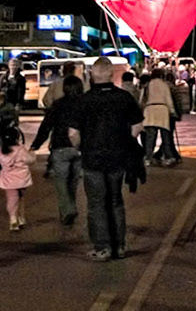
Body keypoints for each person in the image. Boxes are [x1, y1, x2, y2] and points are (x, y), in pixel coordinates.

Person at [67, 56, 146, 261]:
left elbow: (73, 133)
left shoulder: (83, 100)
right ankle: (119, 246)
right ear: (112, 74)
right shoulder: (124, 97)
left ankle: (102, 247)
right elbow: (138, 126)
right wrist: (126, 141)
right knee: (116, 201)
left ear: (92, 74)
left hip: (92, 158)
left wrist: (81, 147)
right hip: (117, 158)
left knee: (96, 203)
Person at [32, 72, 84, 228]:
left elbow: (46, 126)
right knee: (73, 182)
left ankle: (67, 210)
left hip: (60, 147)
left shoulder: (58, 104)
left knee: (61, 181)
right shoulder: (85, 104)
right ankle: (69, 209)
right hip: (79, 148)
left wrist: (36, 144)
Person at [0, 120, 33, 231]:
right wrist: (32, 153)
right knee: (21, 198)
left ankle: (13, 218)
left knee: (12, 199)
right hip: (22, 179)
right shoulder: (21, 150)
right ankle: (21, 217)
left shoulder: (0, 151)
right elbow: (30, 160)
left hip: (9, 180)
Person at [141, 67, 179, 165]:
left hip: (150, 110)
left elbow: (142, 100)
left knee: (150, 137)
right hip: (163, 110)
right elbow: (168, 99)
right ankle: (168, 157)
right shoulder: (164, 85)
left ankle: (148, 158)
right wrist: (173, 112)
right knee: (165, 136)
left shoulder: (147, 85)